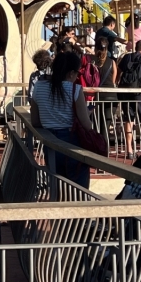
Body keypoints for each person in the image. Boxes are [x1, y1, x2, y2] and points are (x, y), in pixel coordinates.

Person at [30, 51, 94, 190]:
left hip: (49, 141)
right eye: (77, 73)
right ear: (71, 73)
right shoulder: (75, 90)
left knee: (57, 184)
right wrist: (87, 113)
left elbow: (34, 121)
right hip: (72, 141)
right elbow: (87, 125)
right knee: (78, 187)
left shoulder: (39, 87)